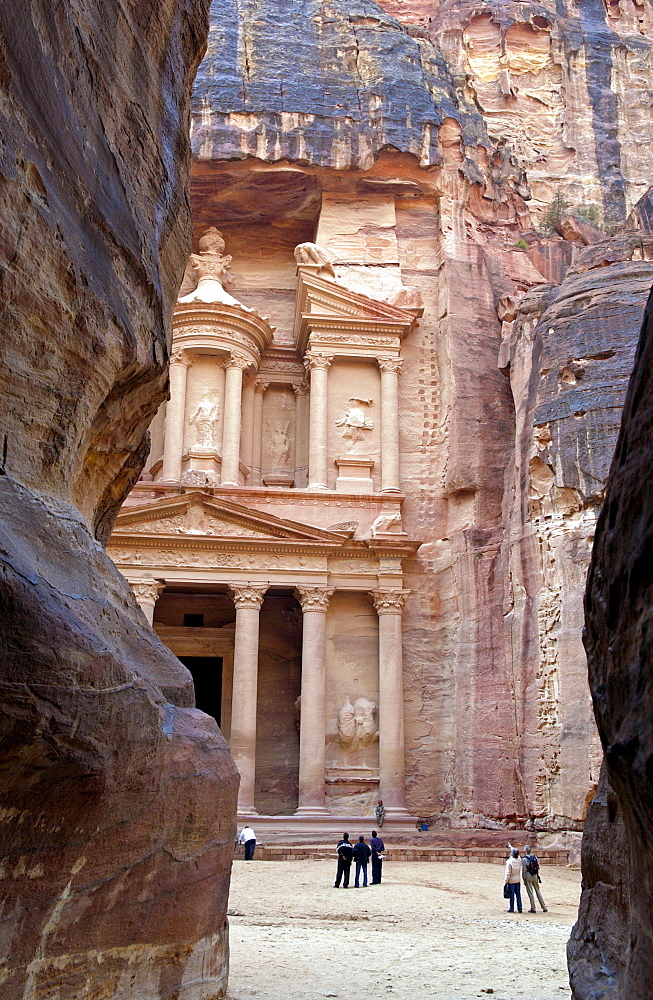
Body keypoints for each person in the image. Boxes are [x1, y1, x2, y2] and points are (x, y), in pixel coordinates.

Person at [522, 844, 548, 913]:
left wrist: (524, 879)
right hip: (535, 875)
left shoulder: (524, 859)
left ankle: (533, 908)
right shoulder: (535, 857)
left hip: (528, 875)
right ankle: (544, 907)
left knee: (530, 892)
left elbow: (524, 870)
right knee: (538, 891)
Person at [504, 847, 523, 912]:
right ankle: (520, 908)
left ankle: (511, 908)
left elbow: (508, 873)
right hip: (517, 880)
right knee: (518, 895)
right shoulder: (519, 860)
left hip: (511, 881)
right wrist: (510, 847)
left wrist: (505, 881)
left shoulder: (509, 862)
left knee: (512, 895)